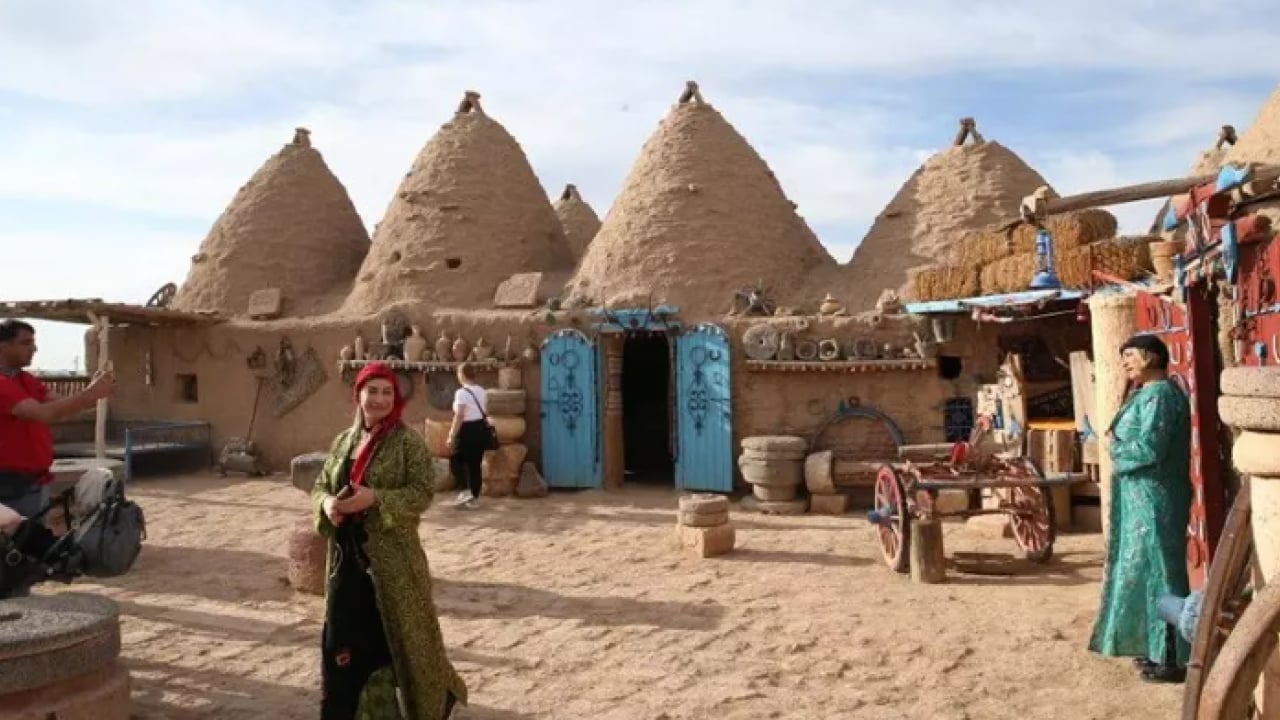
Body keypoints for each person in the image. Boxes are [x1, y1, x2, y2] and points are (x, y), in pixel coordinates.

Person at [312, 362, 467, 719]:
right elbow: (321, 483)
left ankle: (436, 699)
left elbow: (423, 492)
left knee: (409, 644)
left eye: (387, 392)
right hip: (345, 564)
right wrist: (327, 503)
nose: (380, 399)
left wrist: (376, 498)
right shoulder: (343, 441)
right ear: (359, 395)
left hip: (394, 563)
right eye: (373, 391)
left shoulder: (407, 442)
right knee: (345, 641)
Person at [1088, 333, 1192, 684]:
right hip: (1141, 501)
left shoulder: (1161, 395)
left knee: (1163, 573)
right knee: (1146, 574)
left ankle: (1174, 657)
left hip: (1156, 500)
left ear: (1150, 356)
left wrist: (1114, 451)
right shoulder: (1146, 395)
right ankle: (1156, 649)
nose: (1126, 363)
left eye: (1130, 355)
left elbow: (1149, 448)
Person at [0, 319, 114, 520]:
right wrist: (90, 394)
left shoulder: (25, 380)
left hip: (33, 480)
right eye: (25, 343)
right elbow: (43, 413)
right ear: (3, 346)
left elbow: (62, 405)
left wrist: (93, 392)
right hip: (10, 484)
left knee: (33, 541)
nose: (34, 349)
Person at [445, 363, 489, 510]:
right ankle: (474, 498)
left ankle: (464, 490)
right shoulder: (482, 391)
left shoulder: (461, 393)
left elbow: (459, 415)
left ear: (462, 375)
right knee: (475, 465)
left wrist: (451, 435)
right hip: (480, 429)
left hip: (466, 429)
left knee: (455, 460)